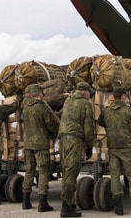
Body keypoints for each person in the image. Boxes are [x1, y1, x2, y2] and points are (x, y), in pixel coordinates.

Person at [97, 86, 131, 216]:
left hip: (113, 148)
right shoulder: (129, 111)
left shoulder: (107, 112)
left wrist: (105, 107)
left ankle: (119, 207)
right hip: (128, 148)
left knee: (114, 177)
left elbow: (101, 121)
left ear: (113, 96)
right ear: (124, 96)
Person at [58, 81, 94, 217]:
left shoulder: (68, 100)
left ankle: (70, 203)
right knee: (71, 174)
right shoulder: (85, 103)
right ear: (85, 92)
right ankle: (66, 208)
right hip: (74, 140)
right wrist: (89, 146)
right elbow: (88, 127)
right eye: (88, 92)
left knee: (66, 172)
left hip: (62, 140)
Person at [21, 83, 60, 212]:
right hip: (40, 144)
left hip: (28, 144)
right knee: (43, 171)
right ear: (40, 94)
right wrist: (56, 132)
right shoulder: (42, 108)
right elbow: (51, 123)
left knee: (29, 171)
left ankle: (25, 200)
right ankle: (42, 202)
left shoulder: (26, 108)